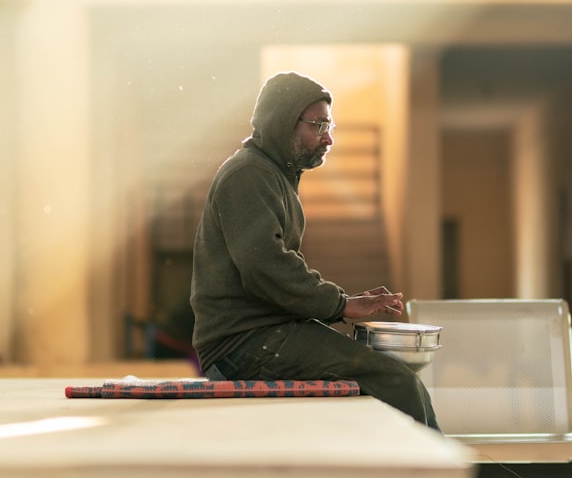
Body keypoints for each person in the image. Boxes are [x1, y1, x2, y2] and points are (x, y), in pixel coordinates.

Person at [189, 71, 441, 430]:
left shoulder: (273, 175)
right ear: (284, 122)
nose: (329, 139)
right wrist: (341, 304)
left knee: (381, 375)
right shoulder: (248, 175)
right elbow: (267, 267)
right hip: (243, 345)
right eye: (318, 125)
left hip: (263, 337)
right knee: (395, 379)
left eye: (330, 125)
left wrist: (340, 303)